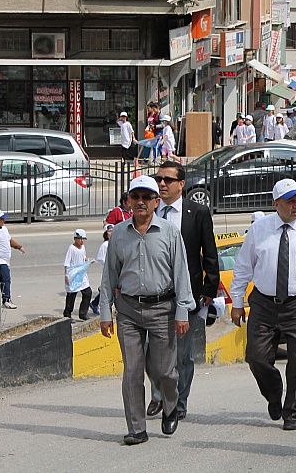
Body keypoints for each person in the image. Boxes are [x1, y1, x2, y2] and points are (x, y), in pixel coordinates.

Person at [99, 175, 195, 445]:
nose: (140, 202)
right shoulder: (118, 233)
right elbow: (109, 275)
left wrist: (182, 312)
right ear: (128, 201)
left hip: (163, 309)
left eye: (146, 198)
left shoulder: (169, 232)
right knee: (132, 370)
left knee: (165, 371)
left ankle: (170, 405)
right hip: (128, 310)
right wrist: (105, 313)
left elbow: (181, 274)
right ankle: (137, 429)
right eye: (135, 197)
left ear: (156, 202)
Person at [230, 178, 296, 431]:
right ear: (276, 204)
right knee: (256, 358)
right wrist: (237, 301)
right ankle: (274, 393)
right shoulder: (260, 229)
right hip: (263, 303)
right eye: (290, 201)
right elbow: (243, 267)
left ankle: (291, 411)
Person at [146, 161, 220, 420]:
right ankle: (160, 394)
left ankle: (178, 402)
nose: (162, 184)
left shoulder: (196, 213)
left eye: (167, 180)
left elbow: (209, 252)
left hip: (186, 295)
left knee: (181, 354)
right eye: (159, 179)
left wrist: (209, 289)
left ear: (181, 184)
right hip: (152, 295)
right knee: (149, 353)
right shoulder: (149, 212)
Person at [62, 229, 94, 320]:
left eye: (83, 239)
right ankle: (67, 314)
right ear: (75, 239)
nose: (82, 241)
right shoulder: (71, 248)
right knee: (72, 295)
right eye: (80, 239)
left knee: (87, 293)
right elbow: (66, 263)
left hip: (82, 274)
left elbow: (83, 258)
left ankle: (83, 313)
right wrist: (66, 275)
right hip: (73, 274)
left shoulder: (83, 248)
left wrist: (88, 260)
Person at [90, 223, 114, 316]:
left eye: (112, 231)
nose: (111, 234)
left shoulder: (115, 243)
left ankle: (95, 303)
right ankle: (96, 304)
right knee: (107, 290)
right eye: (109, 232)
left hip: (116, 270)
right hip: (108, 271)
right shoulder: (105, 245)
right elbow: (101, 259)